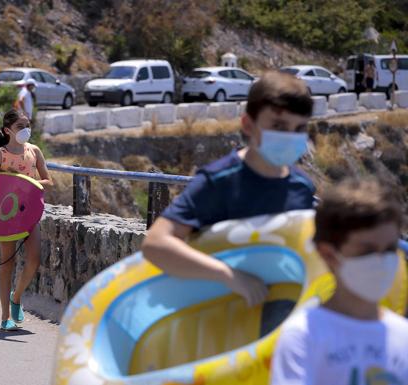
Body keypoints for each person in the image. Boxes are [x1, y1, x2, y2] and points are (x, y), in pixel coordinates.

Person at [141, 71, 315, 307]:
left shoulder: (302, 187)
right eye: (278, 125)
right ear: (248, 125)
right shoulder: (219, 182)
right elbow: (156, 244)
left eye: (299, 129)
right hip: (216, 318)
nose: (289, 136)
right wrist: (228, 275)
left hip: (275, 318)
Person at [271, 178, 408, 384]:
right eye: (367, 251)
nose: (382, 261)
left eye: (389, 250)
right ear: (328, 254)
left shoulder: (403, 335)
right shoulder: (305, 335)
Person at [0, 109, 52, 331]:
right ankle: (4, 317)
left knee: (34, 259)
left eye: (27, 125)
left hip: (29, 214)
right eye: (20, 126)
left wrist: (30, 184)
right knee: (7, 263)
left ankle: (16, 296)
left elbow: (48, 180)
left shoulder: (35, 151)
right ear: (7, 130)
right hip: (5, 218)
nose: (26, 130)